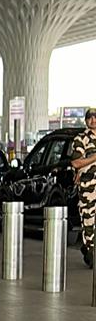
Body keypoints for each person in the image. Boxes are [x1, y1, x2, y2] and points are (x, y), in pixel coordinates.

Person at [70, 108, 96, 268]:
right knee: (89, 223)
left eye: (95, 117)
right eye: (89, 117)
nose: (93, 120)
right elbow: (76, 162)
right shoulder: (81, 139)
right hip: (89, 188)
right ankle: (89, 252)